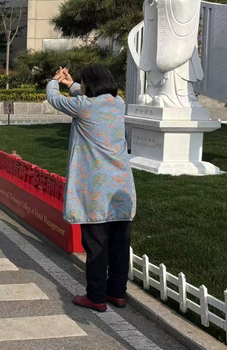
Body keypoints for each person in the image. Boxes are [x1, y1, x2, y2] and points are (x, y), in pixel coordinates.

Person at [47, 64, 137, 312]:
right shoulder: (118, 104)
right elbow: (89, 95)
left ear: (90, 86)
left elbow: (54, 99)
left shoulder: (83, 107)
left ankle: (96, 296)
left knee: (96, 246)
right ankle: (117, 293)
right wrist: (72, 84)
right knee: (119, 245)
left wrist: (54, 81)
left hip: (96, 191)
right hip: (121, 188)